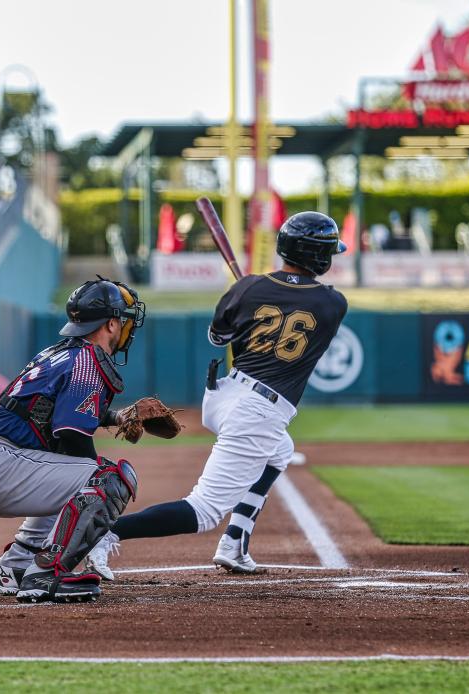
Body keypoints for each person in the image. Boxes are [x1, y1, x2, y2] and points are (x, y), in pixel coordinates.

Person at [88, 212, 349, 577]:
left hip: (224, 394)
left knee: (281, 451)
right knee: (205, 510)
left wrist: (248, 298)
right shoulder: (332, 304)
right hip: (259, 409)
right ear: (319, 258)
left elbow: (218, 338)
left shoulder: (248, 289)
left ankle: (234, 543)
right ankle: (102, 535)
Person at [0, 278, 145, 603]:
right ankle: (48, 572)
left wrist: (116, 417)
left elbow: (49, 413)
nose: (126, 327)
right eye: (123, 320)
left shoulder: (60, 353)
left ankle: (15, 567)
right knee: (105, 479)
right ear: (111, 323)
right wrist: (93, 484)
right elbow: (70, 434)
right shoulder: (88, 360)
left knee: (75, 475)